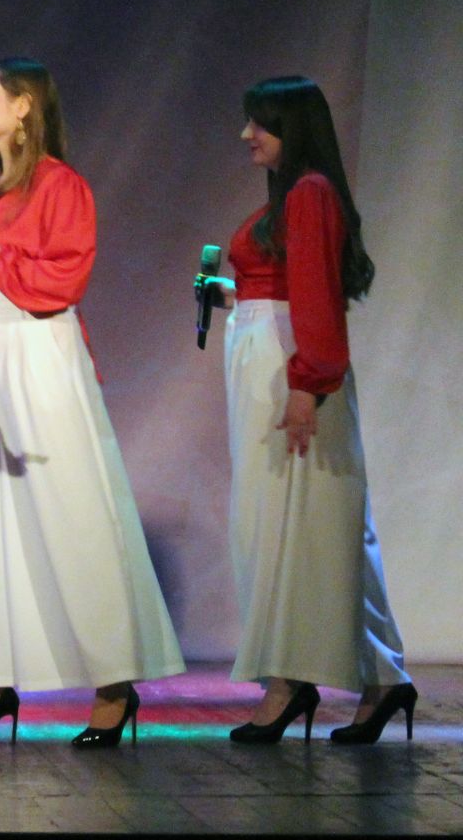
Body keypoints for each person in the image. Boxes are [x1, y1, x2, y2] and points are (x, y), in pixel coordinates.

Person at [0, 57, 184, 747]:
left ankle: (114, 686)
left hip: (40, 354)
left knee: (71, 513)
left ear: (25, 105)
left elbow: (64, 278)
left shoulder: (62, 186)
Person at [194, 76, 414, 744]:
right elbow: (287, 286)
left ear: (292, 127)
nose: (247, 135)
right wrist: (231, 295)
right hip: (279, 363)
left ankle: (289, 683)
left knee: (293, 528)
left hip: (292, 371)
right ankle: (381, 677)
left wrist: (306, 382)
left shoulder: (309, 192)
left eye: (260, 123)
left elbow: (316, 295)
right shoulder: (297, 196)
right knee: (320, 527)